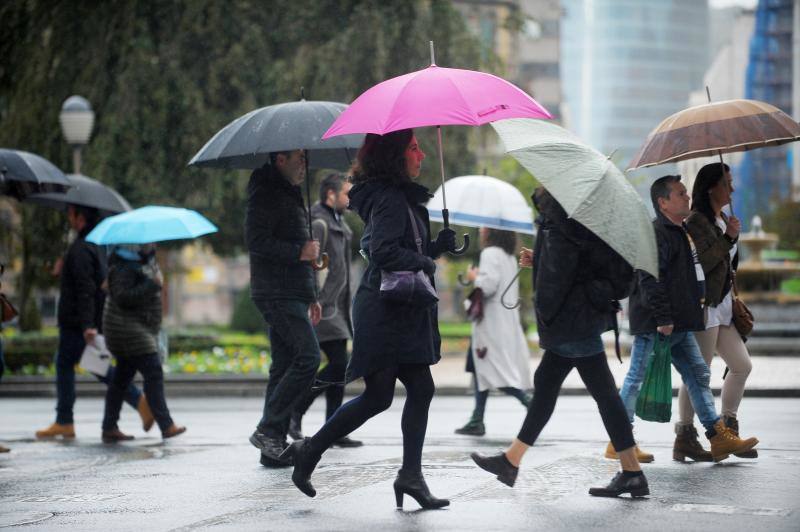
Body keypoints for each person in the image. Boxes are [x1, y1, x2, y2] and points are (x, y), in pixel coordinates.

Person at [280, 129, 456, 509]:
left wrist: (435, 246)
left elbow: (398, 245)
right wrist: (425, 260)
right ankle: (310, 451)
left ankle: (408, 475)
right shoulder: (392, 197)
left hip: (395, 307)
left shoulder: (394, 196)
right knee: (379, 396)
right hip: (386, 309)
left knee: (412, 390)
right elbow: (384, 252)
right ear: (395, 155)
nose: (421, 155)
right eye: (413, 148)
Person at [471, 188, 648, 498]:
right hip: (577, 316)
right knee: (560, 386)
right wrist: (541, 257)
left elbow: (561, 274)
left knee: (600, 394)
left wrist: (547, 312)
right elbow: (578, 262)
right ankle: (512, 460)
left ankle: (632, 472)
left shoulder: (561, 217)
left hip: (570, 318)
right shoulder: (574, 214)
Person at [612, 175, 758, 463]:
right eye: (679, 194)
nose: (686, 197)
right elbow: (650, 278)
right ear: (663, 202)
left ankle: (717, 437)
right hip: (658, 323)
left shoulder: (680, 231)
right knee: (636, 378)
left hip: (681, 321)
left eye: (685, 193)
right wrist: (664, 317)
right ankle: (620, 440)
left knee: (698, 376)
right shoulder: (656, 233)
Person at [36, 205, 153, 440]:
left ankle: (65, 421)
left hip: (77, 323)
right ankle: (136, 402)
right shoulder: (95, 246)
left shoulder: (80, 248)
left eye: (71, 213)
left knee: (73, 365)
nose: (69, 217)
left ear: (80, 218)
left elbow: (85, 289)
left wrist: (87, 325)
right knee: (94, 366)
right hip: (84, 320)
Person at [245, 150, 323, 467]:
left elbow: (304, 254)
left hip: (292, 290)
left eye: (306, 159)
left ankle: (271, 447)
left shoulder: (291, 195)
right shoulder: (265, 192)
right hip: (275, 291)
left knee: (283, 365)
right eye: (298, 159)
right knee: (309, 357)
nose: (304, 165)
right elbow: (256, 241)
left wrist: (312, 295)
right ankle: (268, 429)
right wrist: (298, 252)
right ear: (280, 159)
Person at [682, 162, 757, 458]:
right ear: (712, 186)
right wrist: (728, 239)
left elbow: (728, 264)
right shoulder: (696, 221)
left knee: (741, 366)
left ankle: (728, 425)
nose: (732, 188)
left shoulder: (723, 218)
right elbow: (701, 260)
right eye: (727, 182)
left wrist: (732, 235)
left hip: (724, 306)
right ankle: (685, 434)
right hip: (705, 307)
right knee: (699, 374)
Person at [289, 173, 362, 448]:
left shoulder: (338, 220)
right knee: (339, 365)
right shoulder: (317, 221)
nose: (350, 198)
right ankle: (296, 410)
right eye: (346, 193)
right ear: (330, 194)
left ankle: (334, 428)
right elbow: (310, 264)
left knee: (340, 368)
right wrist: (313, 299)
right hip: (323, 305)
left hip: (339, 305)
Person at [101, 244, 185, 442]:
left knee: (121, 379)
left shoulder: (141, 262)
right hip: (126, 329)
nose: (153, 245)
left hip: (133, 328)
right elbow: (122, 297)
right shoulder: (125, 266)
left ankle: (109, 427)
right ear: (136, 244)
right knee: (153, 371)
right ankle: (166, 425)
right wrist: (152, 285)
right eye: (149, 243)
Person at [455, 227, 531, 436]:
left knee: (497, 371)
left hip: (491, 323)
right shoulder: (508, 255)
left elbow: (488, 286)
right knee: (481, 368)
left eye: (484, 226)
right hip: (503, 321)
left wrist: (474, 276)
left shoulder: (490, 253)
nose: (481, 230)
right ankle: (477, 419)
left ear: (491, 231)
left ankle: (530, 404)